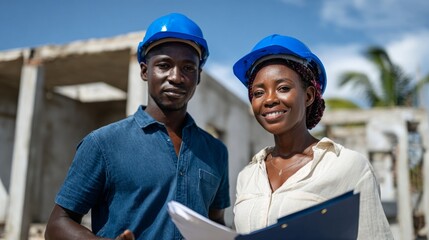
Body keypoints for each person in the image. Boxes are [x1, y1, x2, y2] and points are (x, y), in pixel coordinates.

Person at [45, 13, 230, 240]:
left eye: (188, 68)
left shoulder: (216, 152)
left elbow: (215, 222)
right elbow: (57, 224)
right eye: (164, 65)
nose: (176, 77)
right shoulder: (103, 144)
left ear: (198, 76)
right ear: (145, 71)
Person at [232, 34, 393, 239]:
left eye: (283, 88)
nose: (270, 99)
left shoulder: (347, 166)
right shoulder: (248, 175)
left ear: (308, 96)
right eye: (258, 93)